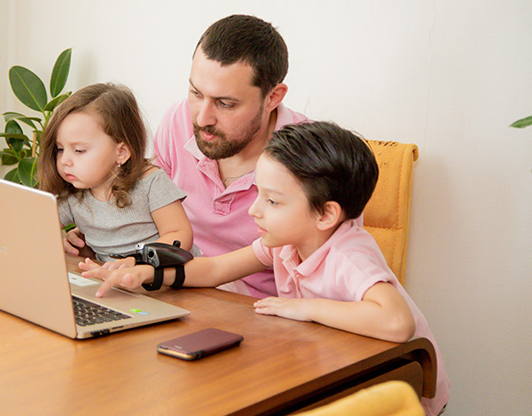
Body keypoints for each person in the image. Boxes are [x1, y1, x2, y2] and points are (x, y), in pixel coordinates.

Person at [80, 121, 449, 415]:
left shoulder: (348, 255)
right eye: (259, 193)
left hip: (399, 390)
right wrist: (148, 275)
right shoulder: (286, 241)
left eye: (272, 200)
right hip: (335, 367)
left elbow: (397, 322)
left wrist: (305, 308)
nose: (255, 210)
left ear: (326, 214)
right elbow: (214, 270)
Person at [65, 14, 307, 298]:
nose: (203, 118)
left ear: (273, 97)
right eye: (195, 93)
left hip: (256, 309)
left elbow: (328, 273)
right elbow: (146, 209)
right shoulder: (177, 121)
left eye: (226, 104)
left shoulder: (310, 157)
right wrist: (98, 236)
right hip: (170, 288)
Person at [37, 82, 198, 260]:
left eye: (79, 150)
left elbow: (180, 235)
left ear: (121, 153)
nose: (65, 160)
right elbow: (36, 228)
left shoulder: (151, 183)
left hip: (171, 280)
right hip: (117, 283)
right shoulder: (73, 195)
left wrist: (138, 263)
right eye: (60, 149)